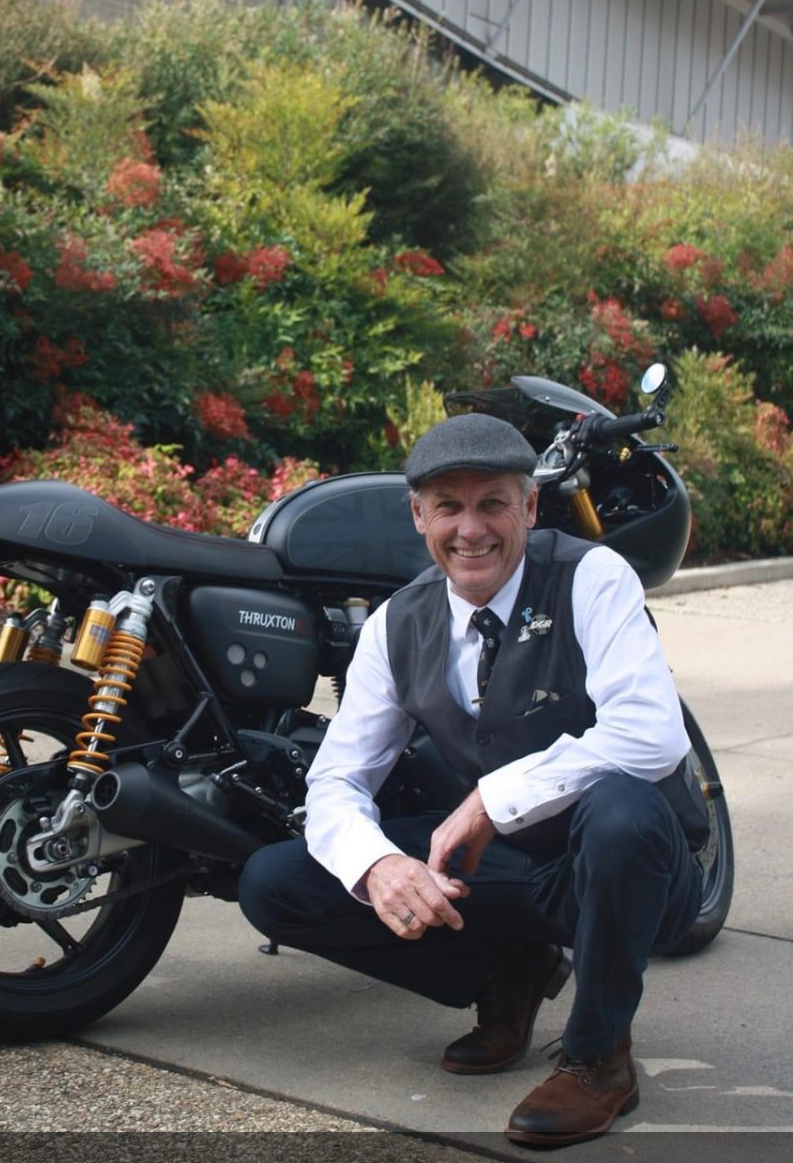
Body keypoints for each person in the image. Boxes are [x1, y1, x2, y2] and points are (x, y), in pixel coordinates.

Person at [239, 412, 705, 1146]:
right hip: (515, 874)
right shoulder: (396, 624)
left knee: (621, 810)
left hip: (634, 874)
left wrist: (492, 797)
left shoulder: (591, 576)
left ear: (528, 507)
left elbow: (652, 733)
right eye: (448, 507)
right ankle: (506, 966)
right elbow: (335, 782)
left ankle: (598, 1059)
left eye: (493, 503)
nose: (471, 529)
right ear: (419, 515)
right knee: (276, 882)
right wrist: (380, 865)